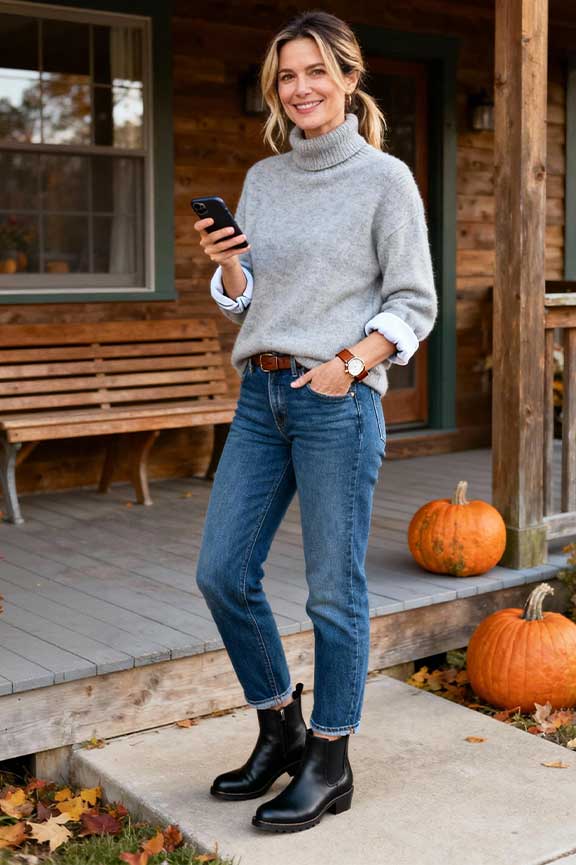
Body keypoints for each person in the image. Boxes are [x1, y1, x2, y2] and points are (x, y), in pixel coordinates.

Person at [194, 10, 437, 833]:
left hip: (336, 400)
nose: (300, 88)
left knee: (335, 592)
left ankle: (330, 759)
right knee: (222, 571)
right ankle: (280, 727)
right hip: (260, 399)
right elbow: (253, 301)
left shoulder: (385, 179)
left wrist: (349, 366)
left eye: (313, 73)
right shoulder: (265, 180)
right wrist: (230, 264)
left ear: (348, 79)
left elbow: (414, 301)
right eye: (286, 76)